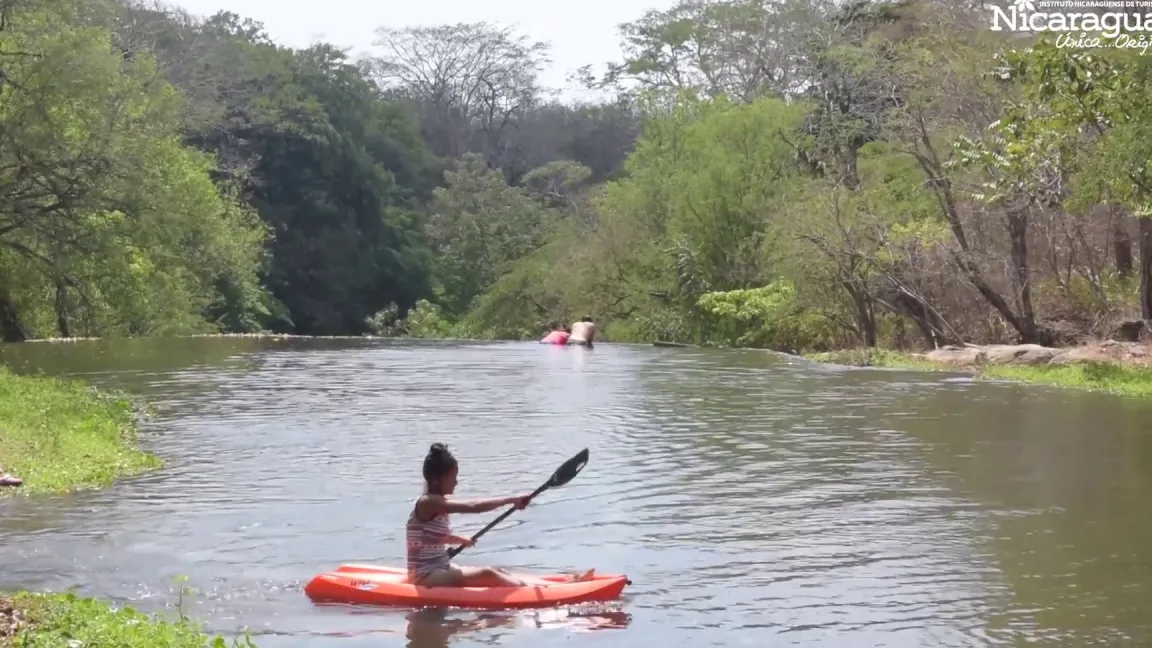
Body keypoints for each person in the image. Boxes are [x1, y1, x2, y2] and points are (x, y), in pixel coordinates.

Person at [407, 443, 593, 587]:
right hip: (425, 576)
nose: (456, 482)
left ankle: (556, 584)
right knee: (488, 574)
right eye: (453, 478)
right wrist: (511, 500)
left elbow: (430, 537)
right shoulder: (428, 502)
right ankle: (550, 591)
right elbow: (474, 506)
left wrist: (459, 539)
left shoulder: (435, 500)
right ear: (436, 480)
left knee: (497, 570)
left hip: (441, 567)